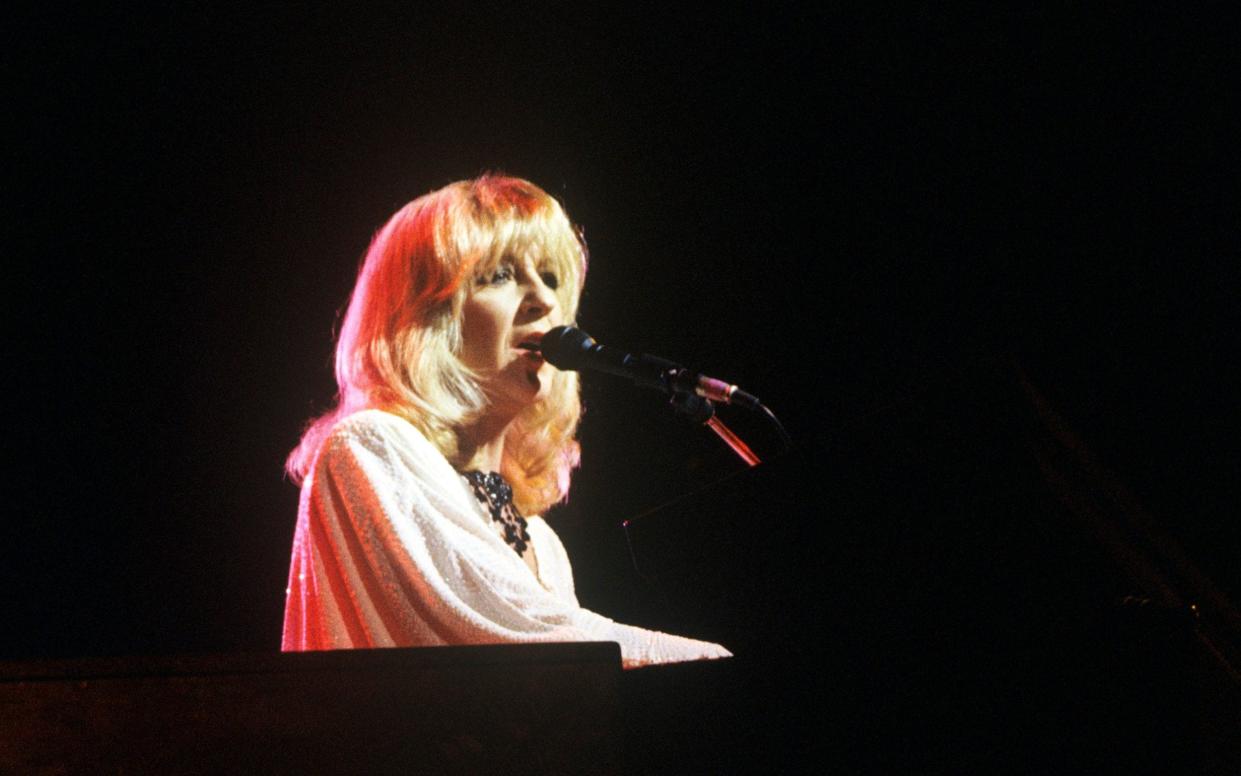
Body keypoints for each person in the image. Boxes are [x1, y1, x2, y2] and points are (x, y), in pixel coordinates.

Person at [281, 174, 731, 668]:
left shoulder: (542, 541)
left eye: (550, 277)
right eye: (499, 275)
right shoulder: (369, 446)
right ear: (425, 318)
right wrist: (713, 661)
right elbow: (511, 637)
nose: (544, 301)